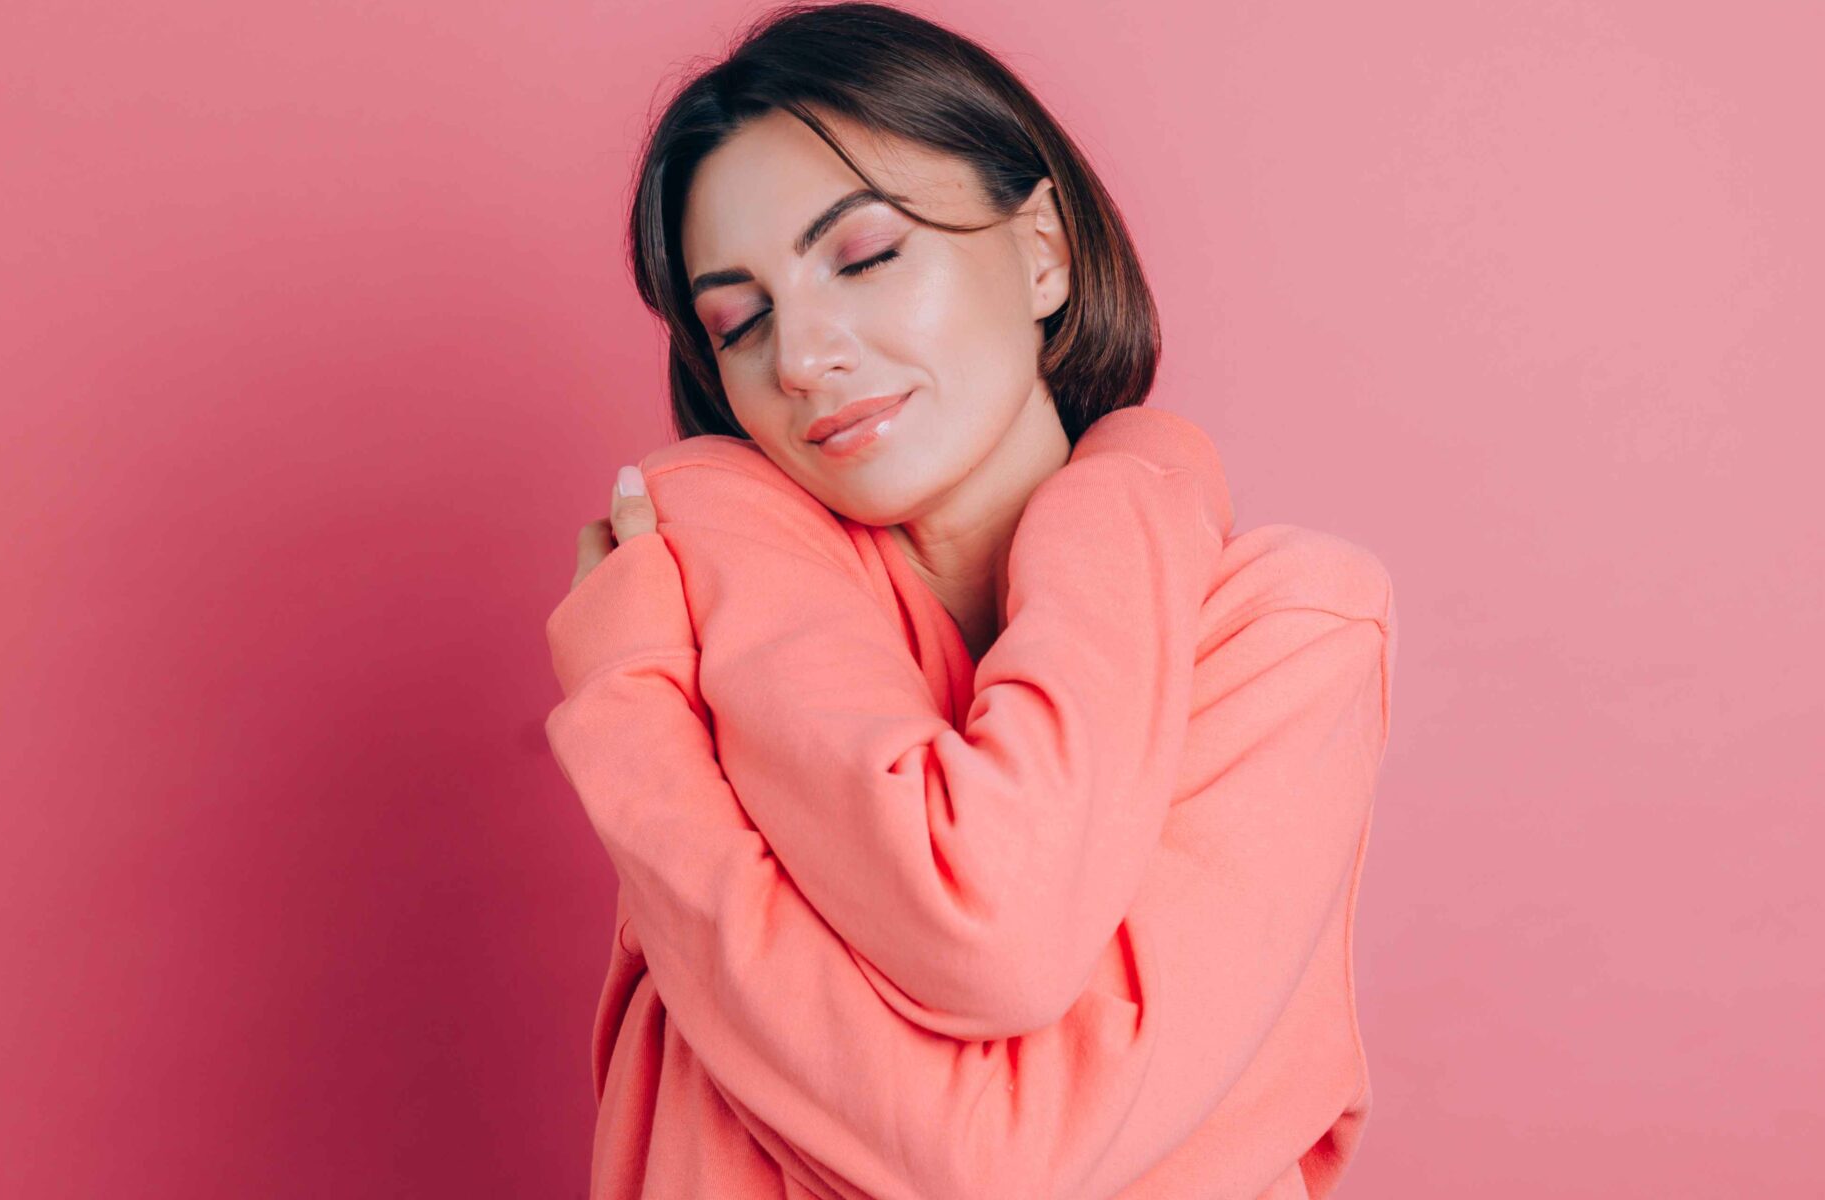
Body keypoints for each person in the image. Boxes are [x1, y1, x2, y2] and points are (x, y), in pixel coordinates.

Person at [544, 4, 1396, 1196]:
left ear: (1040, 249)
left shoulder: (1283, 631)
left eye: (864, 255)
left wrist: (634, 721)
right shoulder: (730, 628)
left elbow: (991, 1156)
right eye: (739, 322)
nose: (801, 358)